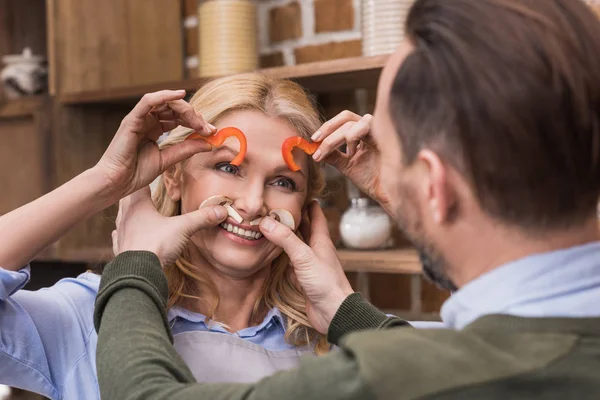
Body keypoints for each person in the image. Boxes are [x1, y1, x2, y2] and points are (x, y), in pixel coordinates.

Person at [94, 0, 600, 399]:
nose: (251, 201)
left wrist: (135, 268)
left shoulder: (403, 377)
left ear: (434, 187)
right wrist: (343, 309)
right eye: (229, 168)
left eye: (395, 163)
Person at [0, 74, 338, 399]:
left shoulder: (329, 335)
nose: (252, 205)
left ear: (305, 206)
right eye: (228, 168)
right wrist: (105, 181)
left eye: (283, 182)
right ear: (174, 176)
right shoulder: (88, 313)